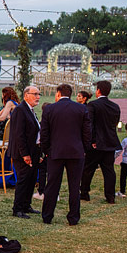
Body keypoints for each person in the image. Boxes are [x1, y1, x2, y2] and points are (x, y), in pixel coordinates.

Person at [40, 83, 91, 225]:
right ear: (70, 94)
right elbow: (87, 132)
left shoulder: (49, 109)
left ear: (58, 93)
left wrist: (46, 150)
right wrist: (84, 149)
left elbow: (44, 133)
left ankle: (47, 216)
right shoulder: (81, 108)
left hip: (55, 152)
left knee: (52, 185)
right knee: (74, 186)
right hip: (76, 152)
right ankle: (73, 217)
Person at [80, 80, 121, 204]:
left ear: (98, 90)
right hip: (110, 143)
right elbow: (114, 123)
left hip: (96, 144)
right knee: (109, 170)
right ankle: (110, 196)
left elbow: (89, 124)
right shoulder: (115, 106)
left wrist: (91, 140)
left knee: (88, 169)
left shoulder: (93, 105)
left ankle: (85, 193)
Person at [9, 86, 42, 219]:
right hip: (22, 152)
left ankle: (26, 205)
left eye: (39, 94)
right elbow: (19, 135)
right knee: (23, 180)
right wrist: (25, 154)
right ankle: (17, 208)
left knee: (31, 179)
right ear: (26, 95)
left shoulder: (31, 110)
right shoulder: (20, 110)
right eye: (35, 94)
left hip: (33, 151)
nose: (38, 97)